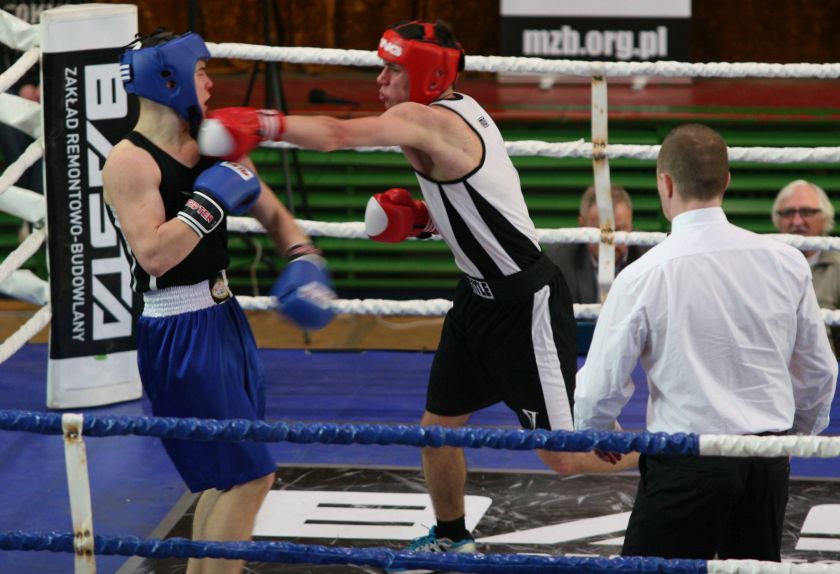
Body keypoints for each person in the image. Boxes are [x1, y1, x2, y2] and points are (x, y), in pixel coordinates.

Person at [196, 19, 638, 555]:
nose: (380, 79)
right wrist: (427, 221)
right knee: (436, 431)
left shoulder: (424, 120)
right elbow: (487, 203)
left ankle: (667, 453)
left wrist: (263, 124)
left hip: (524, 305)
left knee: (562, 456)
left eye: (393, 70)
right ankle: (452, 538)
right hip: (476, 299)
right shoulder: (461, 109)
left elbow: (337, 135)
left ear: (426, 76)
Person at [103, 30, 335, 574]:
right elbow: (154, 255)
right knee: (250, 476)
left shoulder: (211, 138)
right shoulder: (129, 162)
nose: (209, 82)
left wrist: (303, 255)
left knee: (226, 477)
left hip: (224, 317)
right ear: (169, 78)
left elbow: (272, 211)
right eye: (201, 71)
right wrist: (208, 202)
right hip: (178, 329)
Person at [574, 124, 837, 561]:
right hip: (764, 461)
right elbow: (819, 370)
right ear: (726, 180)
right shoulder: (786, 262)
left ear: (666, 183)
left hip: (686, 460)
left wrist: (598, 429)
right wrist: (788, 438)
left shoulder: (645, 274)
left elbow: (598, 387)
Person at [543, 184, 646, 303]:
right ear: (582, 226)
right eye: (601, 231)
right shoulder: (559, 260)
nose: (610, 242)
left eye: (618, 230)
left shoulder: (651, 256)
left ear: (631, 225)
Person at [772, 180, 840, 355]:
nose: (796, 221)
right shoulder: (763, 266)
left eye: (806, 212)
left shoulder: (838, 266)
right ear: (777, 219)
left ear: (825, 217)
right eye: (788, 213)